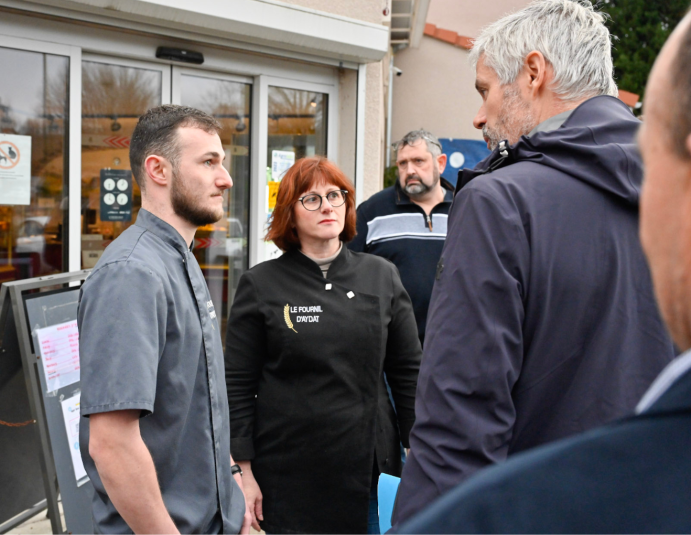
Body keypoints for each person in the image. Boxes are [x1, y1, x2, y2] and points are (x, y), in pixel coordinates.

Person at [393, 11, 691, 532]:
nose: (478, 117)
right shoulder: (675, 195)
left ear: (533, 73)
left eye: (485, 90)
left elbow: (459, 422)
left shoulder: (499, 202)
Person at [224, 156, 422, 534]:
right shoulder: (262, 283)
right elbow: (237, 384)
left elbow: (408, 370)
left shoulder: (380, 275)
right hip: (288, 474)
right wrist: (244, 472)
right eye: (311, 199)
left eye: (335, 195)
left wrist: (419, 452)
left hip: (369, 470)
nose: (327, 205)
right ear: (289, 214)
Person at [78, 105, 249, 534]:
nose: (225, 178)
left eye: (222, 163)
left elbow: (198, 402)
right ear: (158, 170)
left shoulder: (180, 258)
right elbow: (112, 444)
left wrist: (233, 496)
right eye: (209, 162)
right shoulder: (132, 274)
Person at [348, 130, 454, 345]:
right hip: (391, 347)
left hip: (452, 344)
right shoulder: (372, 212)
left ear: (440, 163)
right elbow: (347, 271)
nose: (410, 170)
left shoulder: (464, 208)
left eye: (418, 161)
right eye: (403, 164)